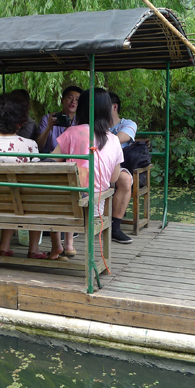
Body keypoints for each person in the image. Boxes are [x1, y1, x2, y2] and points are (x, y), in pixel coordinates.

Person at [49, 88, 123, 260]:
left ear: (81, 108)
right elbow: (114, 178)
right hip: (96, 208)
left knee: (59, 192)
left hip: (69, 207)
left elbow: (52, 165)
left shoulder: (72, 132)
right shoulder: (114, 139)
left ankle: (57, 247)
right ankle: (68, 247)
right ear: (107, 110)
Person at [0, 93, 44, 258]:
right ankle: (34, 249)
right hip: (20, 204)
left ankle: (4, 246)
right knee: (31, 195)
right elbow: (35, 179)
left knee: (10, 194)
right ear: (20, 120)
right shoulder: (29, 145)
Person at [107, 92, 136, 244]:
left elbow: (118, 140)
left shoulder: (128, 124)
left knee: (125, 179)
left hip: (117, 166)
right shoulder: (95, 123)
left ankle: (115, 228)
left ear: (114, 107)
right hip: (95, 164)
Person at [36, 85, 80, 153]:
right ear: (62, 101)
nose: (73, 101)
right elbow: (38, 146)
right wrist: (48, 128)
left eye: (77, 100)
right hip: (48, 161)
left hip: (71, 161)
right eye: (69, 97)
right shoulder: (48, 119)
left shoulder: (80, 122)